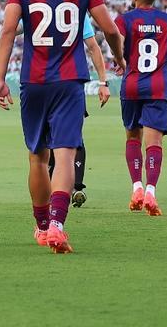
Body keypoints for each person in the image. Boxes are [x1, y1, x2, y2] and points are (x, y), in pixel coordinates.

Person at [0, 0, 123, 254]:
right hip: (69, 80)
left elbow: (9, 31)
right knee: (65, 155)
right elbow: (109, 28)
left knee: (38, 158)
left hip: (33, 80)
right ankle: (57, 225)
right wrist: (118, 56)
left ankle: (40, 225)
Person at [116, 0, 167, 216]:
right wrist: (162, 47)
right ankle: (150, 191)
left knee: (132, 137)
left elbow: (115, 41)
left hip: (132, 85)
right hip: (157, 87)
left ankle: (136, 186)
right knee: (154, 143)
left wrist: (122, 58)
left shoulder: (125, 19)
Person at [47, 14, 110, 207]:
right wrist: (102, 82)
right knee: (74, 139)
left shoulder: (35, 4)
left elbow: (10, 30)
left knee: (46, 140)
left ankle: (53, 189)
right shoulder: (77, 11)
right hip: (71, 82)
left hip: (42, 82)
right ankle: (75, 187)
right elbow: (93, 46)